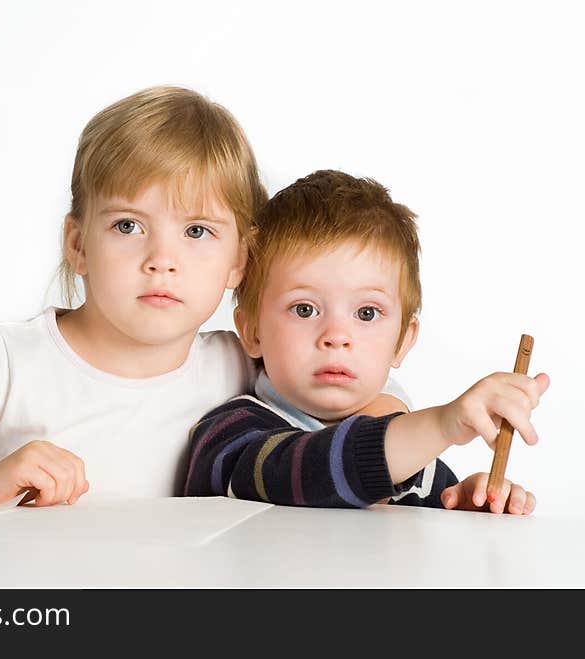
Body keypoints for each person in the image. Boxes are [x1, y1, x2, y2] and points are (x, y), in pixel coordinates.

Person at [0, 88, 410, 509]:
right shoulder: (3, 365)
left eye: (197, 232)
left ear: (239, 261)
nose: (161, 259)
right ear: (77, 244)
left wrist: (388, 403)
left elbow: (341, 386)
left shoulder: (240, 363)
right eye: (127, 226)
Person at [184, 170, 550, 514]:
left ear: (402, 343)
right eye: (305, 309)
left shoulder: (420, 466)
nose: (337, 337)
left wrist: (466, 507)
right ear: (252, 332)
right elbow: (306, 472)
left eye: (367, 314)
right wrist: (441, 425)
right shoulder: (230, 437)